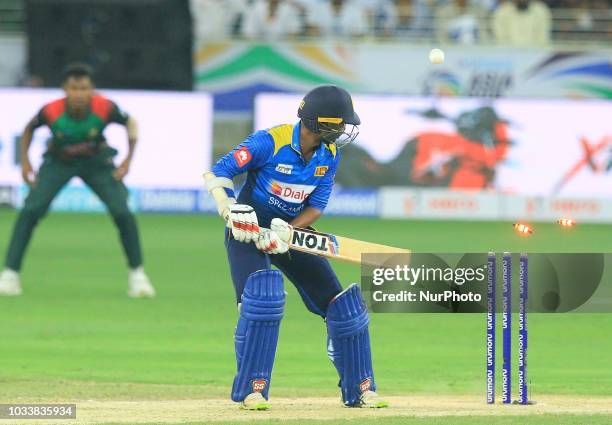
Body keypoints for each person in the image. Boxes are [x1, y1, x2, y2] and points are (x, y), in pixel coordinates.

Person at [205, 85, 388, 410]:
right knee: (259, 303)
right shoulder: (269, 141)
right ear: (319, 122)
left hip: (289, 235)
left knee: (340, 306)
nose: (345, 129)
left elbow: (316, 206)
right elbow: (219, 171)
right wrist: (232, 210)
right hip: (247, 233)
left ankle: (362, 388)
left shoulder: (329, 155)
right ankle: (252, 391)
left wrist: (288, 230)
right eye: (340, 123)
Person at [0, 63, 155, 298]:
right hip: (59, 160)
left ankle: (138, 276)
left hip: (97, 161)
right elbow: (29, 129)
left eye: (84, 88)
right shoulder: (51, 111)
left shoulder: (105, 107)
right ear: (64, 89)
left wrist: (127, 161)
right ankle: (10, 275)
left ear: (92, 89)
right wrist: (25, 162)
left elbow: (131, 123)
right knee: (30, 210)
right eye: (74, 88)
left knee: (122, 211)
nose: (79, 94)